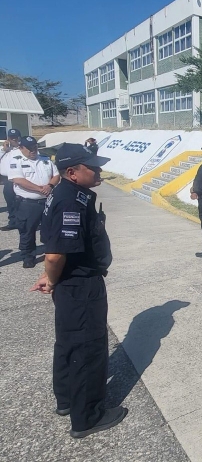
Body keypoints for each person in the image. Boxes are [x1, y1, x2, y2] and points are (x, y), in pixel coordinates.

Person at [31, 142, 127, 438]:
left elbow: (56, 250)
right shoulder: (70, 201)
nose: (99, 171)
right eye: (93, 167)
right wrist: (52, 277)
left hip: (72, 282)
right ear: (72, 172)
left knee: (69, 343)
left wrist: (51, 277)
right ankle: (87, 417)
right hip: (80, 286)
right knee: (87, 348)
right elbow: (55, 254)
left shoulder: (68, 193)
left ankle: (67, 400)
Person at [7, 136, 60, 268]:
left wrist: (50, 186)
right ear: (21, 148)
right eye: (29, 148)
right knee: (27, 231)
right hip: (28, 203)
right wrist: (40, 189)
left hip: (47, 201)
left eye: (35, 147)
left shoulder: (45, 160)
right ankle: (28, 256)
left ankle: (53, 253)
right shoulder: (16, 161)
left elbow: (56, 175)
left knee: (52, 229)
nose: (33, 151)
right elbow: (18, 180)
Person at [0, 128, 22, 231]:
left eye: (15, 138)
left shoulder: (22, 149)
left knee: (20, 201)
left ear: (18, 138)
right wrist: (4, 150)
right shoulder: (4, 150)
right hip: (7, 180)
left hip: (19, 178)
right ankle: (13, 222)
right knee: (10, 202)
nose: (13, 140)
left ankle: (22, 221)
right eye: (11, 138)